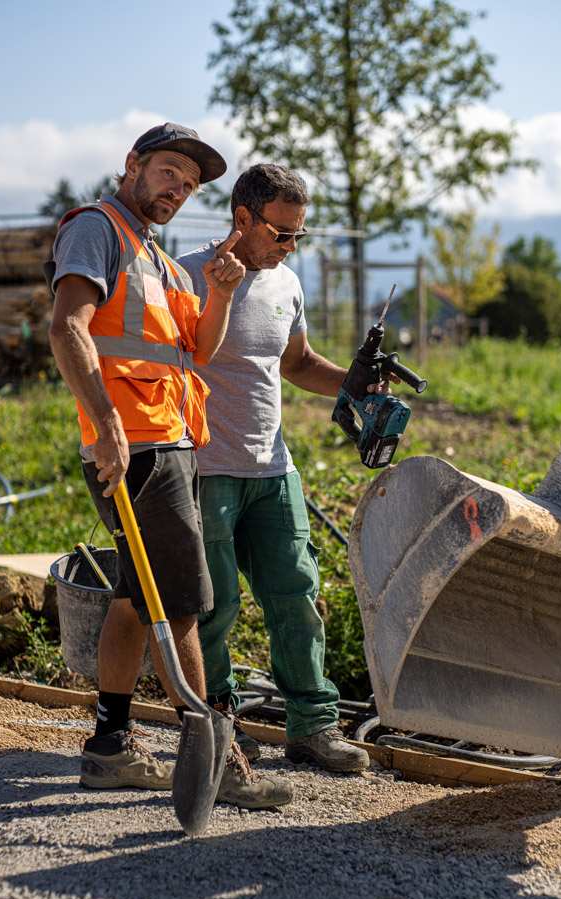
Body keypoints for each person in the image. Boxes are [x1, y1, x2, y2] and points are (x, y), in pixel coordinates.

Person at [47, 125, 294, 810]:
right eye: (166, 172)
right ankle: (217, 756)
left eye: (187, 184)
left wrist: (217, 294)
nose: (176, 190)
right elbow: (67, 327)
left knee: (137, 594)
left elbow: (200, 351)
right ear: (132, 166)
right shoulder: (98, 229)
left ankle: (109, 745)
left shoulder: (153, 256)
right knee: (180, 602)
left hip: (168, 438)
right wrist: (106, 427)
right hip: (137, 445)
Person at [178, 164, 393, 773]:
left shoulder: (286, 283)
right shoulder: (187, 276)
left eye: (299, 234)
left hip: (274, 468)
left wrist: (351, 385)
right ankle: (219, 732)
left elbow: (296, 363)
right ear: (242, 219)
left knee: (298, 597)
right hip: (204, 467)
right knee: (213, 608)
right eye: (281, 232)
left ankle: (312, 727)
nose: (290, 245)